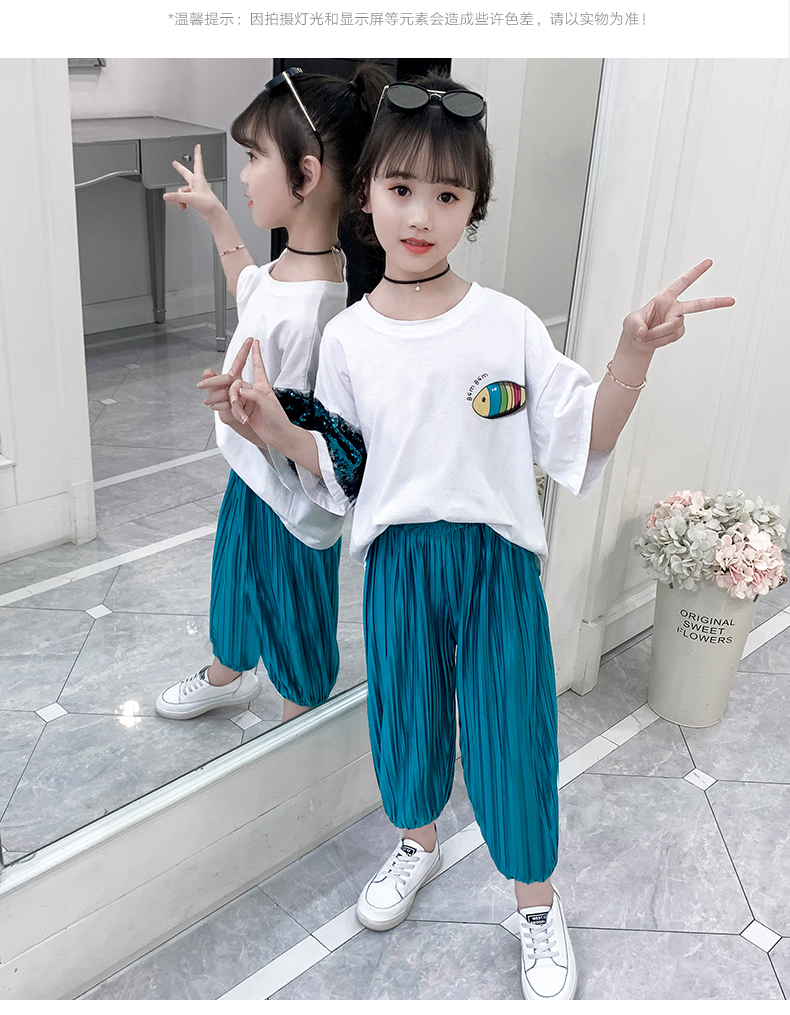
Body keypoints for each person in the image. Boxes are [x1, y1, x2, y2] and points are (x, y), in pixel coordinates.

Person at [225, 74, 735, 1000]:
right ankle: (415, 840)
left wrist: (632, 354)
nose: (421, 214)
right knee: (406, 720)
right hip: (398, 563)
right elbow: (345, 465)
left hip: (496, 565)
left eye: (449, 194)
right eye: (401, 188)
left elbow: (585, 435)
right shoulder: (348, 340)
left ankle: (536, 901)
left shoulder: (506, 325)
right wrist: (276, 430)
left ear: (474, 206)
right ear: (366, 191)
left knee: (512, 730)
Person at [155, 63, 391, 724]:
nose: (245, 173)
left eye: (255, 157)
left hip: (292, 509)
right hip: (251, 481)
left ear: (306, 175)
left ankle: (298, 720)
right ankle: (228, 672)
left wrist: (249, 419)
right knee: (233, 580)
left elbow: (317, 441)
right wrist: (215, 214)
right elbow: (251, 288)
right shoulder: (294, 271)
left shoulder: (320, 311)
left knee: (295, 618)